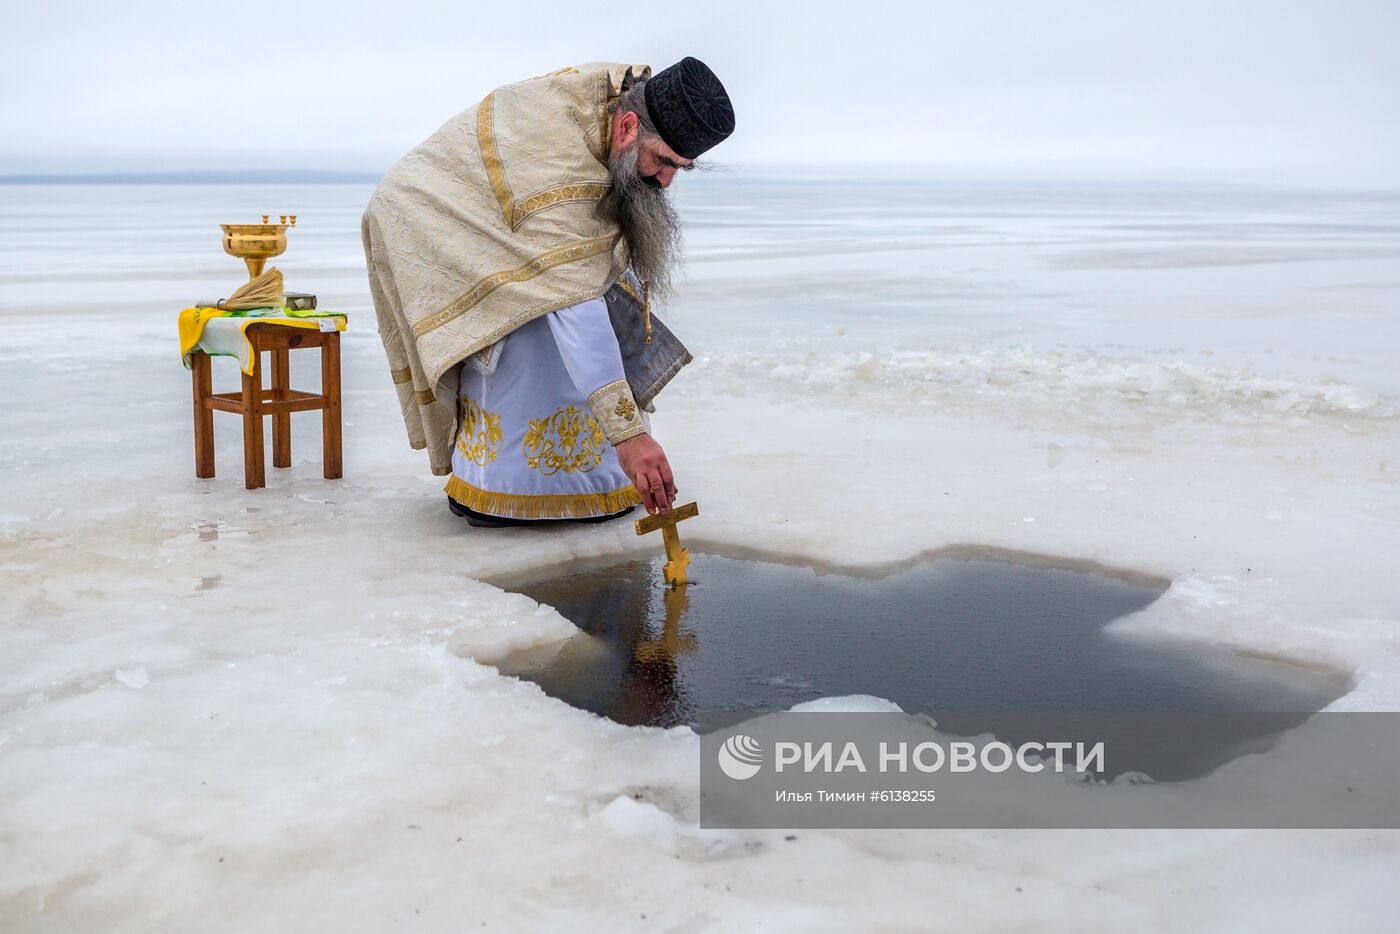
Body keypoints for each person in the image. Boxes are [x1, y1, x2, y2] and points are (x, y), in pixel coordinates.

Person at [362, 59, 735, 527]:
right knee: (541, 317)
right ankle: (511, 488)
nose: (665, 181)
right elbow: (574, 303)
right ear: (626, 127)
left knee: (587, 284)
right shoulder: (558, 174)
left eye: (680, 168)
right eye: (662, 161)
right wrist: (630, 437)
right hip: (430, 214)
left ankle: (600, 479)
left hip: (516, 205)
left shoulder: (617, 97)